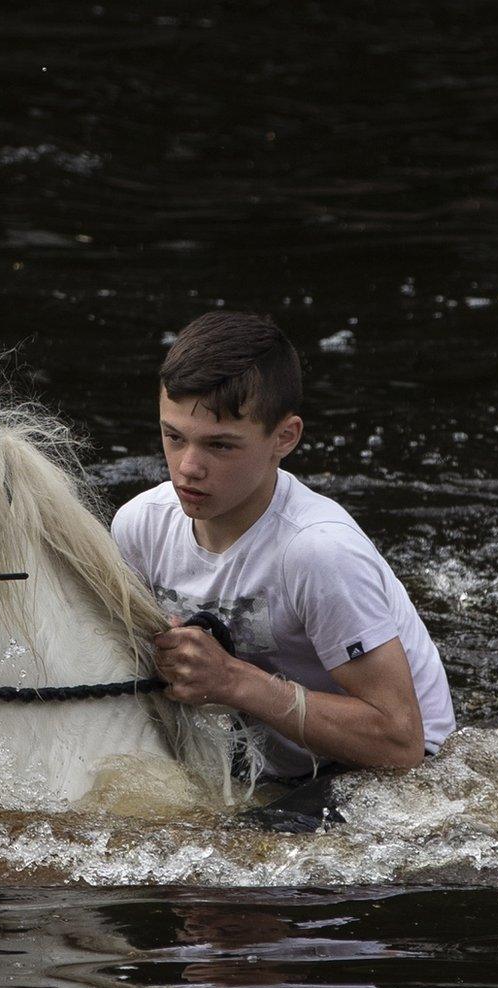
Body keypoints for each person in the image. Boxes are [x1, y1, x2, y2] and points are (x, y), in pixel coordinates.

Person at [109, 312, 455, 830]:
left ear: (285, 437)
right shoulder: (140, 526)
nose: (187, 467)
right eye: (174, 437)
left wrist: (232, 680)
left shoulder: (318, 552)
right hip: (263, 768)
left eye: (220, 445)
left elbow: (400, 741)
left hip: (393, 777)